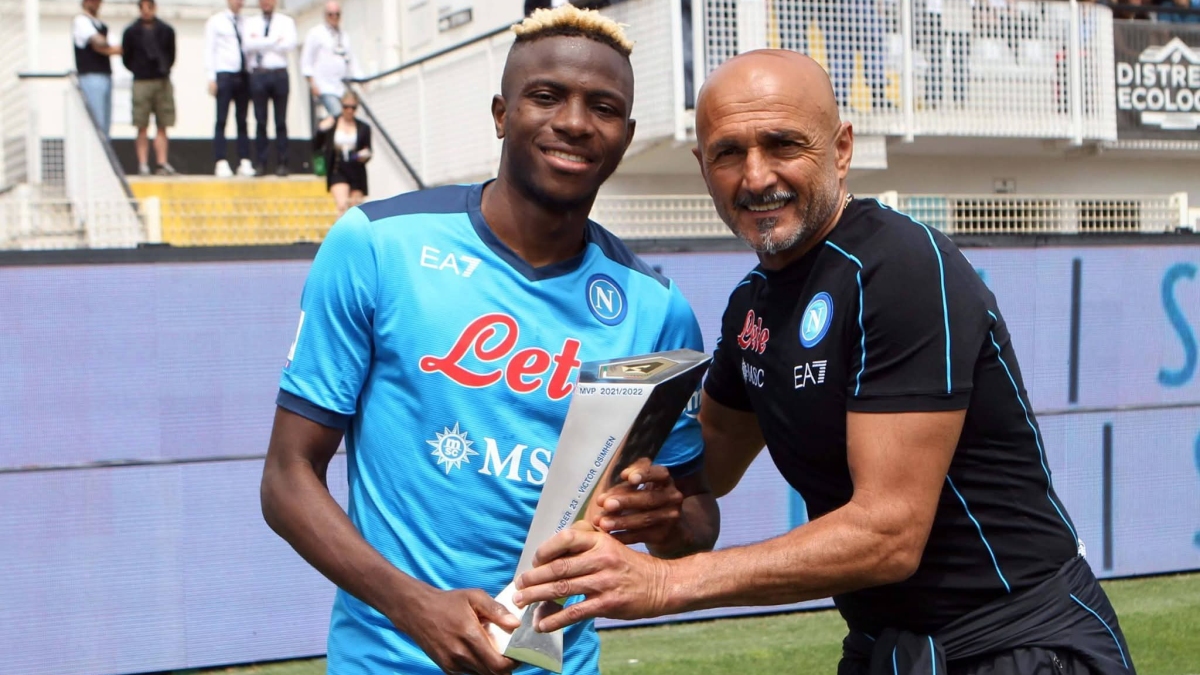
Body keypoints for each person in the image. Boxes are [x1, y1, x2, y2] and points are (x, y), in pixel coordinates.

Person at [512, 50, 1137, 675]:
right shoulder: (752, 305)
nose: (756, 177)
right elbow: (705, 467)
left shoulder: (900, 266)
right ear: (703, 166)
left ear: (840, 149)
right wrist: (643, 498)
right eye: (728, 153)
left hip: (1018, 643)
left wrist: (666, 583)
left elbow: (888, 535)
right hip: (886, 644)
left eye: (782, 144)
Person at [260, 6, 720, 675]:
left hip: (557, 661)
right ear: (502, 114)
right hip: (386, 660)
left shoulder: (656, 308)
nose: (574, 122)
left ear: (624, 136)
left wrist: (666, 519)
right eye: (546, 96)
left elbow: (696, 522)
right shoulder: (379, 244)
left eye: (603, 107)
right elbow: (287, 478)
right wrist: (414, 607)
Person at [122, 0, 176, 176]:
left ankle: (162, 163)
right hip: (141, 81)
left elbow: (171, 55)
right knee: (141, 125)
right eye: (143, 8)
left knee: (163, 124)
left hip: (162, 80)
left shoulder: (166, 31)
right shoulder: (131, 32)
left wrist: (163, 68)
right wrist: (140, 69)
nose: (146, 12)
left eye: (149, 8)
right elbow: (127, 58)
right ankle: (143, 164)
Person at [244, 0, 297, 177]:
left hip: (279, 74)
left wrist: (260, 42)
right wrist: (274, 40)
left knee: (280, 121)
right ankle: (261, 163)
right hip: (259, 74)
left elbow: (289, 44)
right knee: (260, 121)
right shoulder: (251, 22)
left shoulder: (286, 21)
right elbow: (248, 45)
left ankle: (283, 162)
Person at [204, 0, 255, 178]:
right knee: (221, 119)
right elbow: (209, 49)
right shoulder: (216, 21)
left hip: (243, 74)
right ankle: (221, 160)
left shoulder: (247, 22)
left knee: (242, 119)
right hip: (224, 74)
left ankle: (244, 159)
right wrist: (211, 77)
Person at [313, 92, 371, 216]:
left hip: (356, 168)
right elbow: (316, 146)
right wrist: (321, 130)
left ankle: (353, 229)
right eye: (346, 107)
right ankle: (341, 229)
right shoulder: (332, 124)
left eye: (353, 108)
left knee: (356, 210)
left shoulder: (363, 127)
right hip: (338, 167)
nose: (349, 111)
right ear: (341, 106)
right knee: (342, 205)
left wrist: (364, 155)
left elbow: (368, 149)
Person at [301, 1, 360, 119]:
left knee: (346, 117)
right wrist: (313, 84)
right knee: (338, 115)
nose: (334, 17)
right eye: (331, 14)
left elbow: (352, 60)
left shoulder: (344, 36)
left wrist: (360, 79)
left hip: (341, 87)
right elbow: (306, 61)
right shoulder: (316, 33)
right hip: (325, 87)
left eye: (337, 14)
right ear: (325, 15)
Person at [73, 0, 122, 139]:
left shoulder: (101, 25)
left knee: (105, 124)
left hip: (105, 76)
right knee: (96, 121)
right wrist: (105, 47)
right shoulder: (81, 21)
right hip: (90, 76)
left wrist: (105, 48)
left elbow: (117, 47)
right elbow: (98, 42)